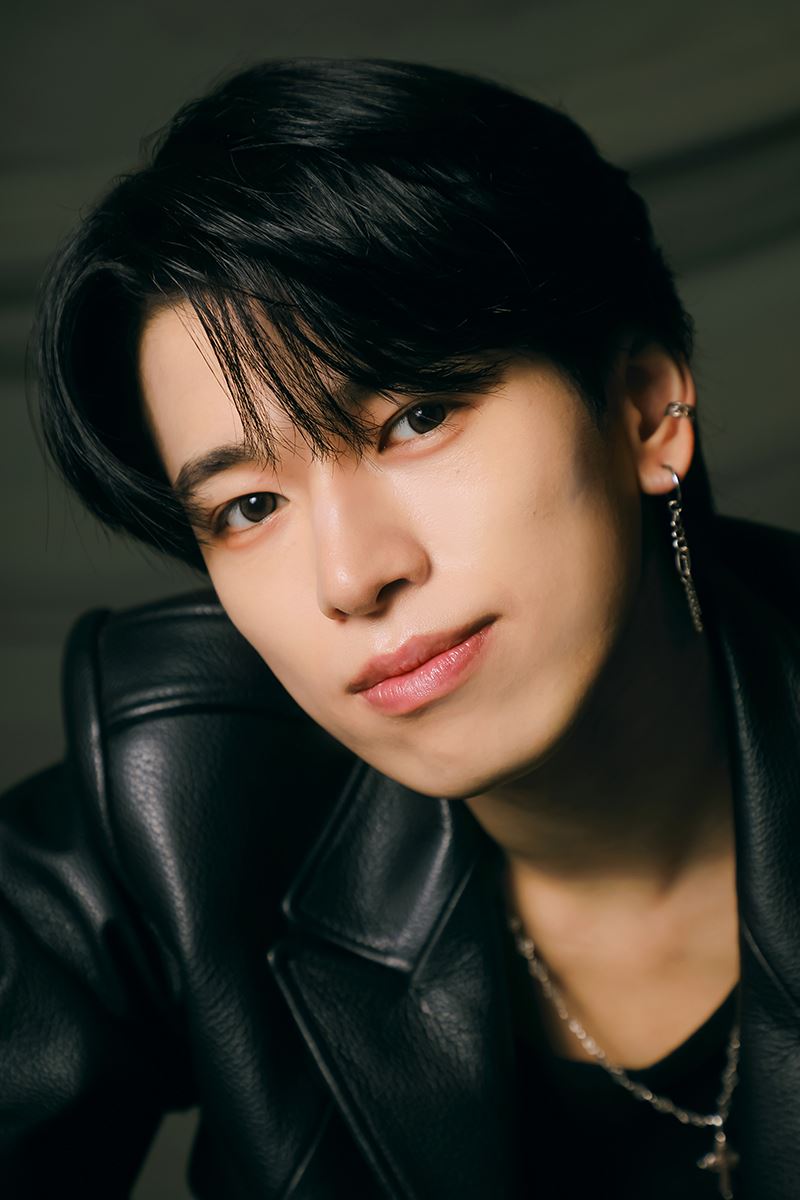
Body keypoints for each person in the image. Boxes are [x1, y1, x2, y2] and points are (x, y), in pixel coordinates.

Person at [1, 56, 798, 1200]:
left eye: (414, 417)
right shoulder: (178, 799)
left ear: (642, 409)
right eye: (248, 508)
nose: (351, 576)